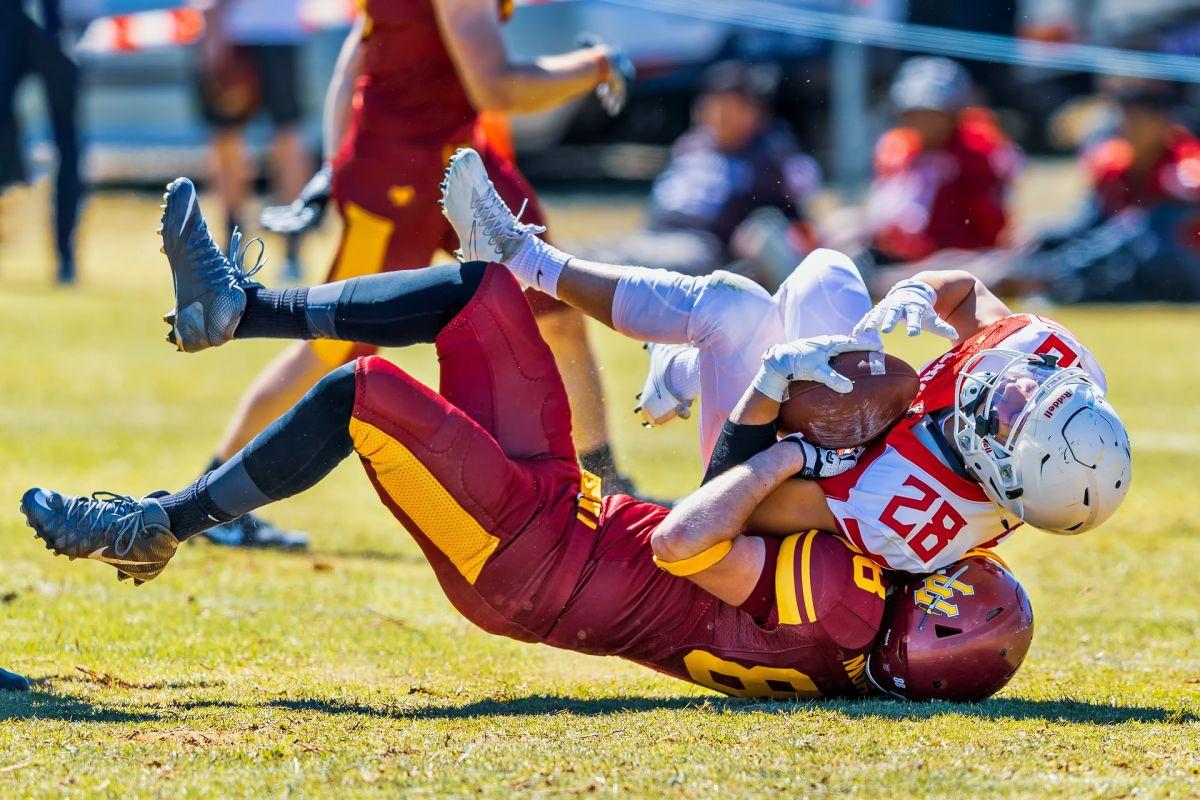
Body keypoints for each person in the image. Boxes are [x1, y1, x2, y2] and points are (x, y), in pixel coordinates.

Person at [21, 179, 1032, 703]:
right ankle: (241, 305)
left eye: (946, 580)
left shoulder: (850, 611)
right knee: (481, 291)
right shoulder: (868, 602)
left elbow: (690, 543)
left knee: (362, 392)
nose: (937, 558)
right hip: (571, 511)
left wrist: (782, 445)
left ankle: (161, 521)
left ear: (921, 634)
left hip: (529, 559)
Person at [439, 147, 1132, 574]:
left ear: (996, 468)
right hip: (846, 423)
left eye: (1009, 415)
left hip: (763, 465)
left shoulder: (913, 515)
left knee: (731, 307)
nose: (1008, 386)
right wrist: (922, 288)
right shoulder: (1053, 367)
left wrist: (780, 409)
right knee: (827, 273)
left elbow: (751, 507)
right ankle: (677, 370)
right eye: (1027, 393)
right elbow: (973, 300)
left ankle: (522, 259)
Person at [194, 0, 637, 548]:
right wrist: (596, 65)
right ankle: (215, 499)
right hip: (395, 175)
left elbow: (359, 51)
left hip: (463, 161)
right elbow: (496, 87)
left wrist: (334, 163)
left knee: (558, 305)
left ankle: (606, 488)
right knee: (336, 348)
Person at [577, 60, 820, 289]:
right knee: (599, 249)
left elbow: (784, 216)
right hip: (658, 234)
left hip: (704, 247)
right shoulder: (693, 145)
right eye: (714, 106)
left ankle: (561, 270)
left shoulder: (767, 155)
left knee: (614, 261)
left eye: (730, 108)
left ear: (753, 114)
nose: (719, 116)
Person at [1032, 79, 1200, 301]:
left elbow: (1144, 232)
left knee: (1142, 228)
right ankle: (1036, 275)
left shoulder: (1186, 165)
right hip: (1130, 262)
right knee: (1047, 240)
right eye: (1126, 120)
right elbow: (1090, 225)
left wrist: (1065, 265)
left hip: (1184, 269)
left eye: (1138, 121)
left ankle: (1054, 279)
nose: (1129, 129)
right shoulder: (1114, 163)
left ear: (1163, 123)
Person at [858, 57, 1021, 269]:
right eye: (914, 115)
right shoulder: (896, 148)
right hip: (901, 252)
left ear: (953, 115)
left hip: (960, 255)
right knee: (845, 229)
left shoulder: (977, 152)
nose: (922, 124)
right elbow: (883, 209)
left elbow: (988, 223)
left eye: (931, 115)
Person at [196, 0, 313, 279]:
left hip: (240, 32)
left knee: (238, 142)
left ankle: (235, 247)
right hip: (279, 32)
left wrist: (212, 24)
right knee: (282, 138)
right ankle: (287, 247)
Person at [0, 0, 83, 283]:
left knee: (68, 144)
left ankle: (66, 254)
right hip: (10, 19)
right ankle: (14, 168)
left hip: (53, 23)